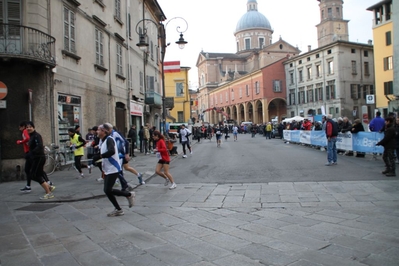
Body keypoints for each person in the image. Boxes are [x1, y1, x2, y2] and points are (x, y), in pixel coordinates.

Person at [96, 124, 135, 217]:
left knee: (107, 190)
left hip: (113, 168)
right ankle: (119, 208)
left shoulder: (109, 139)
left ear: (104, 131)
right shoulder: (102, 140)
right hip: (108, 169)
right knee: (107, 190)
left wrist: (100, 156)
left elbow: (111, 151)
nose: (96, 131)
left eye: (98, 130)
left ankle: (128, 195)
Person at [25, 121, 54, 200]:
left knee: (35, 175)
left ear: (33, 127)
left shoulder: (36, 136)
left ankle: (48, 192)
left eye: (30, 127)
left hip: (39, 157)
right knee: (35, 174)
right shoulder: (31, 136)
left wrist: (32, 153)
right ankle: (48, 187)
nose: (28, 128)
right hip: (35, 158)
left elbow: (39, 146)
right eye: (27, 127)